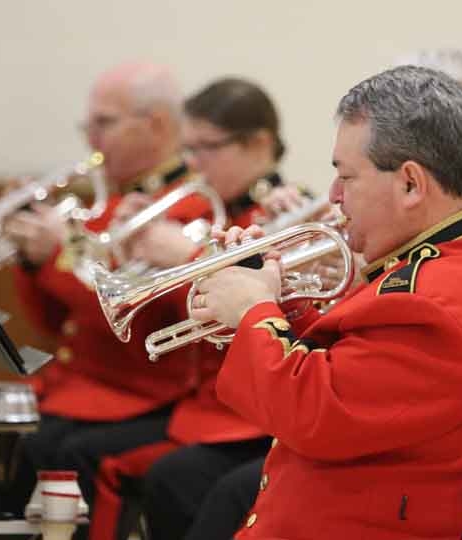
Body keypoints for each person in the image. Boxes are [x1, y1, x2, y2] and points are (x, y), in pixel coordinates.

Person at [186, 65, 462, 539]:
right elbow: (360, 375)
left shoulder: (434, 302)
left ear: (411, 184)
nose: (332, 196)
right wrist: (280, 299)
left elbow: (312, 415)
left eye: (346, 177)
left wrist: (253, 312)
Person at [3, 61, 199, 519]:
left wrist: (54, 255)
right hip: (86, 387)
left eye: (104, 123)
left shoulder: (184, 208)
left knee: (48, 447)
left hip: (139, 393)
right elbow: (53, 324)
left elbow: (119, 317)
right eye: (88, 124)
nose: (91, 138)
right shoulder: (106, 202)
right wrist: (33, 261)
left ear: (157, 124)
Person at [103, 77, 293, 540]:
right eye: (188, 149)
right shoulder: (207, 214)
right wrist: (131, 253)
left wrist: (185, 261)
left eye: (206, 148)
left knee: (178, 480)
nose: (192, 164)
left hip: (245, 421)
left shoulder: (281, 214)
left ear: (259, 144)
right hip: (201, 409)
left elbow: (253, 315)